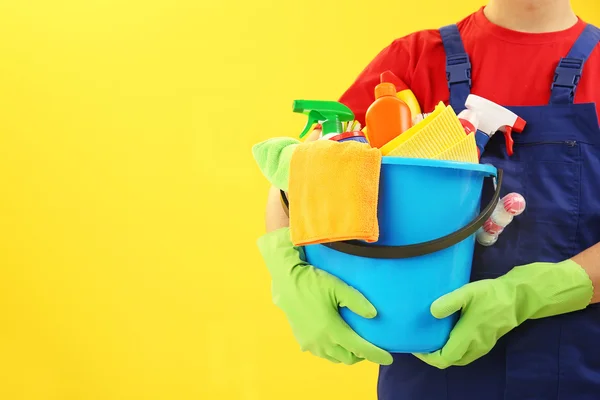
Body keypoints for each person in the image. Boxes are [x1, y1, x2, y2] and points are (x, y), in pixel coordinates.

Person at [256, 0, 600, 398]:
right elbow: (301, 174)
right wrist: (290, 272)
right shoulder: (412, 61)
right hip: (428, 370)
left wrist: (534, 293)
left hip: (578, 370)